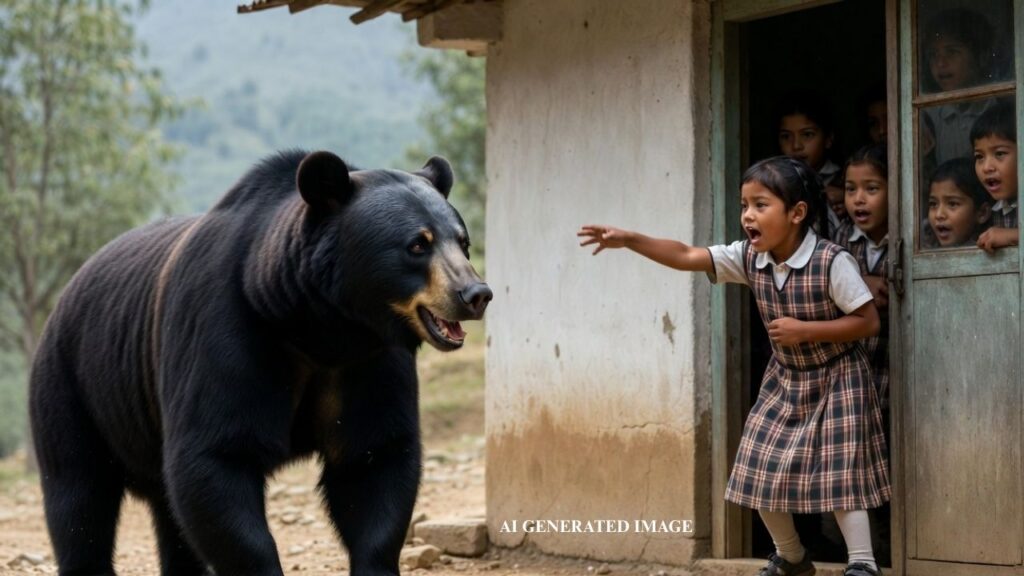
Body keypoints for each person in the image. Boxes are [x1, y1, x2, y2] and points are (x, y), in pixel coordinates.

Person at [578, 157, 890, 576]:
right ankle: (793, 557)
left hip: (839, 378)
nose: (747, 215)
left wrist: (806, 330)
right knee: (757, 471)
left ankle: (862, 565)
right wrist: (630, 238)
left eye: (761, 205)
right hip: (787, 379)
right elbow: (688, 254)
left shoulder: (832, 262)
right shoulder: (749, 257)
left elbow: (868, 321)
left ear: (796, 214)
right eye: (744, 205)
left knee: (840, 478)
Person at [835, 145, 889, 411]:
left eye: (871, 189)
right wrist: (860, 282)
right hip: (855, 368)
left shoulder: (916, 234)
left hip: (895, 360)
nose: (858, 199)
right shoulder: (842, 238)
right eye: (850, 189)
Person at [920, 8, 997, 165]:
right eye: (933, 55)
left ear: (981, 57)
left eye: (952, 52)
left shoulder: (998, 109)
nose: (940, 63)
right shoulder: (927, 115)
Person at [775, 91, 844, 241]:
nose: (796, 146)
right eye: (786, 136)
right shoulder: (774, 184)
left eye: (807, 135)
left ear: (828, 139)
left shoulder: (846, 181)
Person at [971, 98, 1018, 252]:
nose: (986, 167)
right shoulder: (992, 209)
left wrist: (1013, 235)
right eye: (979, 157)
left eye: (999, 153)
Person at [928, 157, 992, 248]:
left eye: (952, 204)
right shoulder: (926, 246)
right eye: (933, 204)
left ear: (982, 213)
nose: (939, 215)